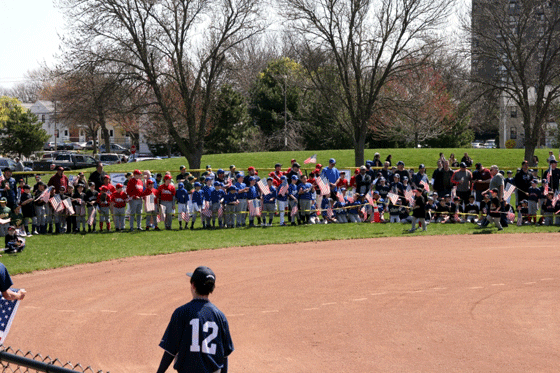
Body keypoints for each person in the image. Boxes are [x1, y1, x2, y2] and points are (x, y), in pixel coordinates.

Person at [157, 266, 233, 373]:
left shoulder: (181, 312)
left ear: (193, 285)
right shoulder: (220, 316)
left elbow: (170, 350)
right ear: (211, 288)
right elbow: (224, 355)